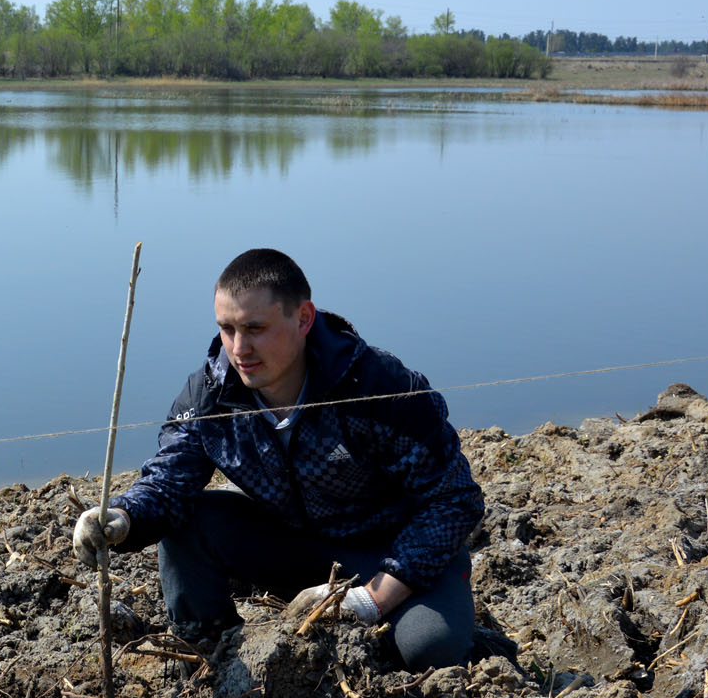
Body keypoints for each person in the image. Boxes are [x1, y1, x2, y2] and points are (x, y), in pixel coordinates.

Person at [72, 248, 485, 670]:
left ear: (303, 319)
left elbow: (454, 500)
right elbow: (168, 482)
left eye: (255, 328)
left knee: (429, 647)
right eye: (226, 328)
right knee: (188, 524)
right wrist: (122, 517)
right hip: (293, 543)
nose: (239, 348)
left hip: (390, 549)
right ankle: (214, 659)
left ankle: (446, 620)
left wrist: (373, 599)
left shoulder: (378, 386)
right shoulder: (211, 395)